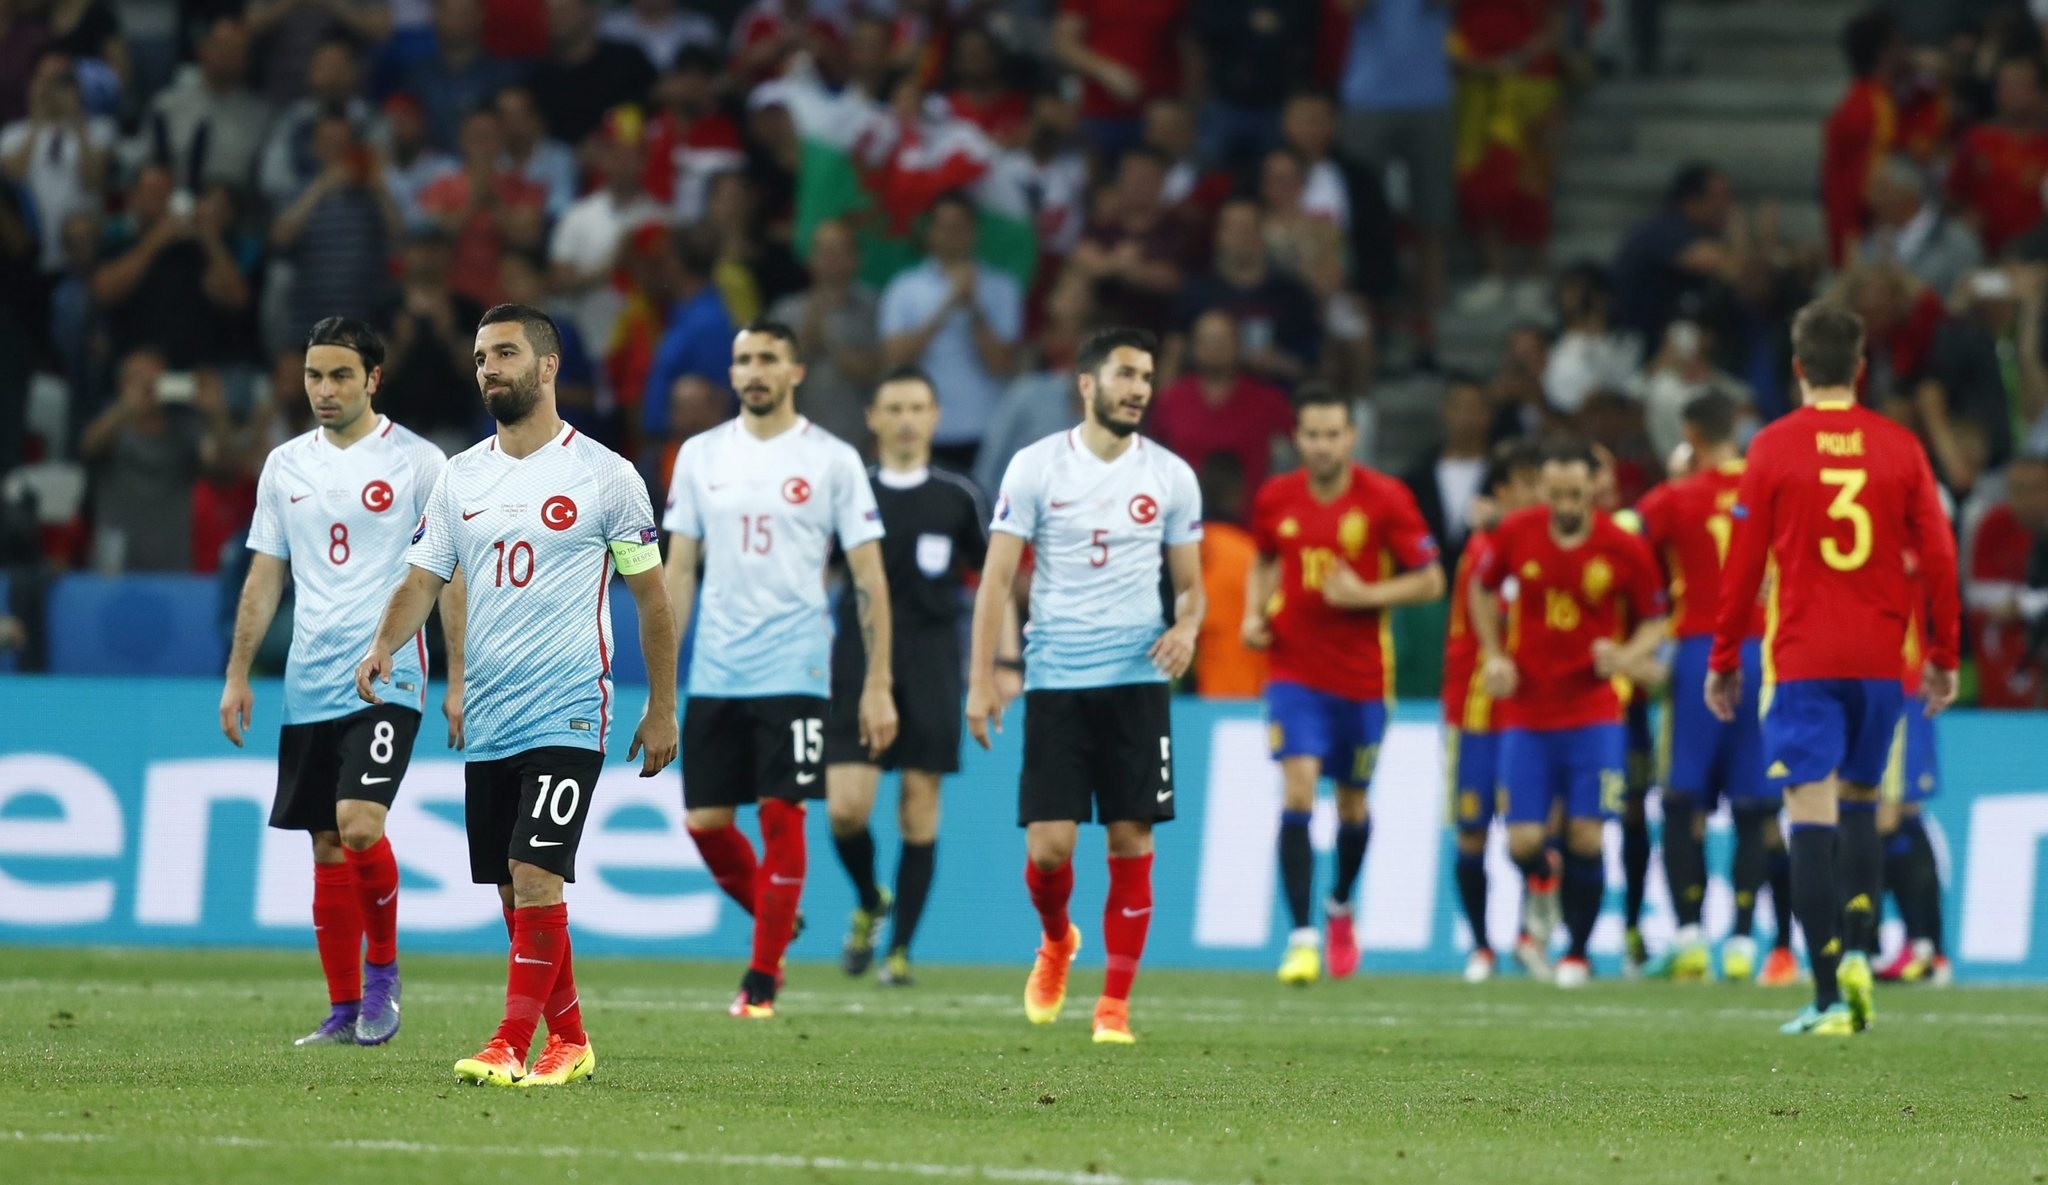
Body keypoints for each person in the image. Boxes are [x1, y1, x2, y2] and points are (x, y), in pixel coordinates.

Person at [354, 303, 680, 1086]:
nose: (488, 368)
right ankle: (571, 1039)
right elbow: (424, 578)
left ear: (547, 366)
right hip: (493, 714)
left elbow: (653, 601)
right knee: (512, 883)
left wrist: (662, 704)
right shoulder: (459, 476)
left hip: (570, 705)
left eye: (504, 353)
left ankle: (508, 1041)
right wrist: (384, 643)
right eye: (478, 357)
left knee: (536, 873)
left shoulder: (607, 476)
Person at [1706, 301, 1959, 1036]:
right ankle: (1859, 950)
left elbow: (1741, 566)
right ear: (1860, 367)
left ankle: (1825, 995)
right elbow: (1940, 558)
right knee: (1861, 809)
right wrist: (1943, 654)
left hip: (1804, 659)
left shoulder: (1775, 447)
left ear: (1796, 369)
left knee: (1808, 819)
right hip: (1883, 663)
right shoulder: (1900, 447)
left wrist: (1724, 659)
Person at [219, 318, 454, 1048]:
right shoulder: (285, 465)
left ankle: (383, 972)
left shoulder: (420, 463)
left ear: (373, 379)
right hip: (308, 679)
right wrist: (237, 673)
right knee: (325, 843)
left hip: (390, 675)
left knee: (358, 822)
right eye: (314, 375)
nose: (324, 389)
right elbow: (266, 574)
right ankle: (343, 1008)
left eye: (340, 375)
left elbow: (448, 575)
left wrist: (461, 678)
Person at [965, 327, 1204, 1045]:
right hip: (1058, 680)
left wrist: (1188, 629)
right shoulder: (1036, 468)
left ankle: (1114, 1006)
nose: (1138, 388)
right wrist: (982, 680)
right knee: (1050, 848)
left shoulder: (1171, 476)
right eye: (1126, 374)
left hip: (1137, 680)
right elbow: (997, 579)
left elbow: (1191, 588)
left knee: (1130, 835)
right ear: (1088, 384)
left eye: (1147, 377)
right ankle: (1056, 939)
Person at [663, 320, 897, 1020]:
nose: (754, 370)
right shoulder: (700, 455)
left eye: (768, 358)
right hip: (716, 670)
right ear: (731, 374)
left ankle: (763, 975)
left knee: (781, 812)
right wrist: (664, 674)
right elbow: (680, 568)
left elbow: (868, 575)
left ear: (796, 371)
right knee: (705, 822)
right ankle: (775, 911)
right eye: (743, 359)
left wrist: (878, 680)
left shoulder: (831, 460)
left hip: (795, 666)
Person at [1243, 385, 1444, 984]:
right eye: (1313, 435)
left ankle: (1338, 906)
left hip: (1361, 679)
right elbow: (1264, 558)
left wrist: (1369, 595)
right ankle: (1302, 937)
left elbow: (1431, 579)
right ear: (1297, 439)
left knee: (1353, 805)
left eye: (1335, 434)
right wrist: (1255, 614)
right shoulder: (1276, 497)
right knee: (1298, 788)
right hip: (1293, 672)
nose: (1324, 445)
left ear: (1351, 437)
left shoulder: (1386, 499)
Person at [1470, 437, 1668, 988]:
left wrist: (1627, 657)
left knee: (1586, 835)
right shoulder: (1516, 533)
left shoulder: (1620, 546)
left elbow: (1657, 615)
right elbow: (1480, 590)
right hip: (1527, 712)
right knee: (1522, 842)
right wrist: (1493, 653)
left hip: (1594, 713)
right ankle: (1542, 882)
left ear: (1593, 491)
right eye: (1555, 493)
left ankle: (1577, 952)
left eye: (1574, 493)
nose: (1563, 504)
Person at [825, 366, 985, 986]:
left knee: (920, 805)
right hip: (857, 661)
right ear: (873, 417)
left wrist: (998, 663)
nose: (906, 419)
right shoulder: (850, 491)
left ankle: (900, 951)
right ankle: (870, 899)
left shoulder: (959, 495)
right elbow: (820, 573)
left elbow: (995, 578)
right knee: (846, 809)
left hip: (934, 658)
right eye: (893, 407)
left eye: (918, 406)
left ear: (936, 415)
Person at [1632, 393, 1790, 984]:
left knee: (1681, 801)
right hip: (1762, 651)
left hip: (1701, 649)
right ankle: (1746, 941)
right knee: (1754, 805)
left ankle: (1692, 934)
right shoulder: (1767, 488)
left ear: (1690, 434)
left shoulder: (1675, 497)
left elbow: (1623, 534)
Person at [1440, 440, 1540, 983]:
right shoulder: (1486, 548)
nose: (1540, 497)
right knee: (1472, 832)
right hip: (1474, 711)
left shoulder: (1539, 546)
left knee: (1530, 829)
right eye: (1530, 486)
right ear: (1503, 492)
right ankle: (1481, 945)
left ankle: (1529, 932)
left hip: (1529, 713)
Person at [879, 191, 1022, 471]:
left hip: (984, 427)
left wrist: (973, 309)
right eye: (944, 227)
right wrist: (947, 306)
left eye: (960, 227)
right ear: (930, 232)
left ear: (974, 232)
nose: (951, 236)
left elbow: (1000, 364)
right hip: (922, 428)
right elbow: (897, 358)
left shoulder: (1001, 287)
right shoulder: (904, 287)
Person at [1875, 552, 1952, 986]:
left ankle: (1923, 947)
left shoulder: (1905, 539)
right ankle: (1925, 948)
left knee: (1891, 814)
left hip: (1898, 686)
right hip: (1881, 684)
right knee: (1894, 816)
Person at [1149, 310, 1294, 498]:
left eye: (1223, 340)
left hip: (1251, 521)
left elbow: (1295, 456)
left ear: (1238, 345)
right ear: (1194, 347)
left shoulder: (1269, 400)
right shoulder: (1171, 399)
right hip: (1185, 519)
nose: (1215, 348)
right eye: (1208, 340)